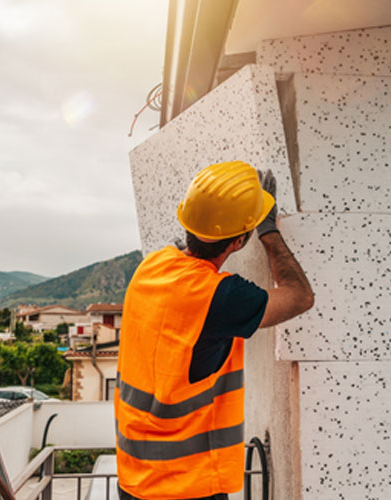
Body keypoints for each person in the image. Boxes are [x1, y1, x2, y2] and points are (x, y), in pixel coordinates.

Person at [115, 161, 314, 500]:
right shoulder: (220, 297)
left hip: (134, 478)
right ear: (239, 241)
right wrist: (268, 232)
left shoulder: (152, 266)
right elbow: (300, 297)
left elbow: (186, 254)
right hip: (186, 486)